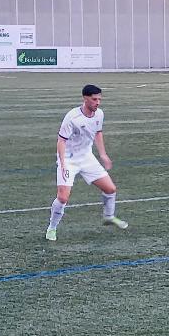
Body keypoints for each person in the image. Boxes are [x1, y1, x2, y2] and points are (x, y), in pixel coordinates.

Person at [46, 84, 129, 241]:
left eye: (99, 99)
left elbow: (98, 133)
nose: (97, 102)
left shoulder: (99, 114)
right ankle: (52, 228)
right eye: (94, 99)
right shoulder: (72, 117)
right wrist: (63, 163)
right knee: (63, 197)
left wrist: (103, 154)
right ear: (85, 99)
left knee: (110, 189)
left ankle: (109, 217)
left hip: (86, 157)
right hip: (69, 159)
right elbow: (61, 141)